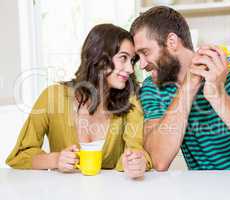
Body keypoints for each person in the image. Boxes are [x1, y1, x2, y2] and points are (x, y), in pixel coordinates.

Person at [130, 6, 230, 172]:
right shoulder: (153, 87)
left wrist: (218, 95)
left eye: (146, 52)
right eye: (138, 57)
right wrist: (189, 87)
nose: (142, 65)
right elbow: (158, 160)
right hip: (205, 191)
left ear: (171, 42)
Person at [6, 24, 152, 178]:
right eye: (123, 58)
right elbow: (20, 156)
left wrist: (135, 162)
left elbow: (137, 150)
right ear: (100, 58)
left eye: (132, 60)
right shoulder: (52, 97)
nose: (130, 69)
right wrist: (55, 160)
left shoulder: (130, 102)